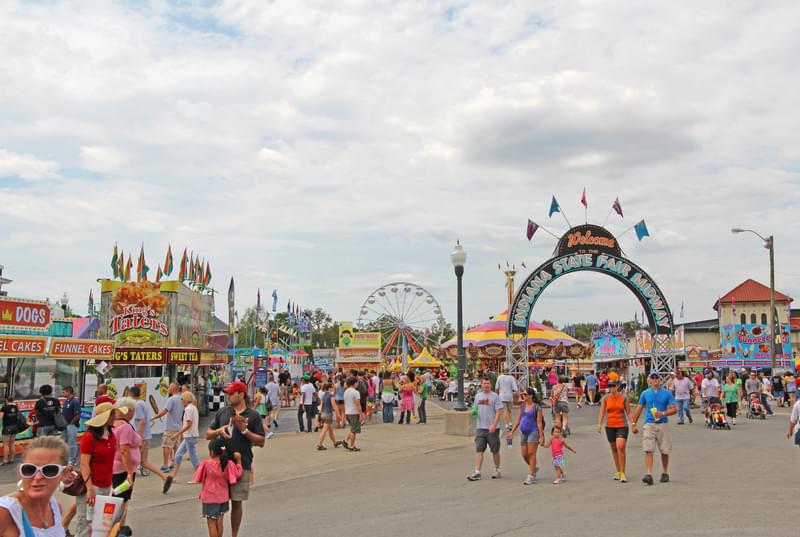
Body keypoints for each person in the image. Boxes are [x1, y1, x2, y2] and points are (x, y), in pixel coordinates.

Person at [206, 381, 265, 537]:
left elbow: (261, 441)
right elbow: (207, 434)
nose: (228, 396)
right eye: (228, 393)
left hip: (241, 464)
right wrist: (219, 430)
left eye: (231, 393)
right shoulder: (223, 412)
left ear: (241, 394)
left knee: (236, 502)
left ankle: (234, 534)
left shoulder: (252, 415)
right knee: (218, 503)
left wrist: (245, 431)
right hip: (221, 465)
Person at [0, 435, 70, 537]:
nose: (37, 477)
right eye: (29, 469)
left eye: (49, 470)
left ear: (64, 474)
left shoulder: (55, 508)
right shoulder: (6, 513)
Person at [75, 402, 120, 537]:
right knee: (85, 524)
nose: (115, 417)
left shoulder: (111, 435)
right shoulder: (89, 437)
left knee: (101, 524)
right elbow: (84, 464)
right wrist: (89, 488)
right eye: (112, 414)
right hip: (93, 486)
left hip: (106, 484)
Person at [631, 372, 677, 486]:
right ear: (649, 380)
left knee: (664, 450)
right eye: (653, 378)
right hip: (649, 424)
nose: (655, 379)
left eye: (657, 378)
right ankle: (649, 474)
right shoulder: (645, 393)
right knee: (648, 449)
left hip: (662, 424)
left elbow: (674, 409)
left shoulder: (667, 394)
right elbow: (639, 408)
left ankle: (665, 472)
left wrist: (663, 413)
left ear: (660, 380)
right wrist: (633, 423)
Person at [194, 437, 243, 537]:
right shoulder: (228, 464)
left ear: (211, 452)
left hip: (210, 497)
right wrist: (239, 461)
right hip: (223, 497)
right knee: (219, 521)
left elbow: (198, 478)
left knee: (211, 522)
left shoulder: (206, 464)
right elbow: (237, 474)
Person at [597, 380, 634, 483]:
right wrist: (599, 424)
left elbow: (629, 413)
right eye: (610, 386)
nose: (611, 388)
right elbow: (602, 412)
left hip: (622, 425)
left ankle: (623, 473)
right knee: (614, 449)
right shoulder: (606, 398)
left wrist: (633, 424)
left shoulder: (624, 398)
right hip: (610, 426)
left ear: (618, 386)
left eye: (613, 386)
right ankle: (618, 471)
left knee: (620, 446)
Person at [467, 378, 504, 481]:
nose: (486, 385)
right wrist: (474, 411)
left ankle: (497, 469)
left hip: (492, 428)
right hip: (480, 427)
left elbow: (498, 412)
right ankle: (477, 471)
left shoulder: (495, 396)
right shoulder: (478, 396)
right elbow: (475, 407)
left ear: (490, 385)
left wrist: (494, 424)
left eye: (488, 383)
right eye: (484, 383)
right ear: (481, 385)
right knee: (479, 449)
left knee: (495, 450)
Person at [111, 398, 140, 526]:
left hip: (115, 466)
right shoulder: (125, 427)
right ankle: (118, 527)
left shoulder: (114, 424)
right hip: (123, 469)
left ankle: (117, 526)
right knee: (122, 500)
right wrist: (129, 472)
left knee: (118, 498)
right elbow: (124, 450)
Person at [506, 387, 544, 485]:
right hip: (523, 432)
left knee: (531, 453)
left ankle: (531, 476)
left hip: (533, 431)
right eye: (523, 394)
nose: (523, 396)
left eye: (525, 394)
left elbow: (539, 423)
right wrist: (512, 432)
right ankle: (534, 467)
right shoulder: (522, 406)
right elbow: (518, 419)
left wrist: (541, 436)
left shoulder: (537, 407)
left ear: (531, 396)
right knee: (524, 455)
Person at [168, 392, 201, 488]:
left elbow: (189, 424)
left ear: (186, 399)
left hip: (189, 435)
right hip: (190, 435)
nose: (181, 401)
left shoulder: (188, 409)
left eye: (182, 399)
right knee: (178, 455)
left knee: (192, 456)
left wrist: (178, 434)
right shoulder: (192, 408)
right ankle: (173, 476)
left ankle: (198, 476)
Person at [151, 382, 183, 472]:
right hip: (179, 427)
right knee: (176, 447)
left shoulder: (171, 399)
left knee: (166, 446)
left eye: (170, 386)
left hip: (171, 427)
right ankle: (174, 464)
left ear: (174, 388)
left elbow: (165, 411)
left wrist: (155, 417)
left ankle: (165, 465)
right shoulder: (181, 398)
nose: (168, 388)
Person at [316, 383, 341, 450]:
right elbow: (334, 405)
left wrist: (320, 414)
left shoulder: (323, 395)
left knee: (330, 430)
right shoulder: (331, 395)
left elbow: (321, 405)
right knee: (324, 430)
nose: (333, 388)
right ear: (329, 388)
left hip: (323, 414)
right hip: (328, 414)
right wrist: (338, 414)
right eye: (332, 387)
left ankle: (335, 442)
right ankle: (319, 444)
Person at [60, 387, 81, 467]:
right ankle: (64, 459)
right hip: (65, 426)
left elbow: (77, 415)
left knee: (72, 443)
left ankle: (72, 461)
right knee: (63, 442)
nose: (63, 394)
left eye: (64, 392)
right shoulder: (66, 401)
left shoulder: (75, 402)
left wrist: (71, 423)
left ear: (68, 392)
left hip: (72, 426)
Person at [343, 377, 364, 451]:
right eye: (357, 382)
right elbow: (358, 404)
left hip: (348, 412)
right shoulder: (356, 392)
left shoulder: (346, 391)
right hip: (354, 412)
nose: (357, 384)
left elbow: (345, 403)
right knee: (354, 431)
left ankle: (345, 441)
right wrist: (361, 414)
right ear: (354, 383)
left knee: (352, 428)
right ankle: (351, 446)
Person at [0, 396, 21, 466]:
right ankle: (12, 459)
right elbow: (18, 417)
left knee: (5, 444)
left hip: (7, 427)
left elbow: (0, 417)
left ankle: (5, 460)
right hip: (15, 427)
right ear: (13, 400)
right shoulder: (16, 407)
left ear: (6, 400)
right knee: (12, 443)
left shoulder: (4, 407)